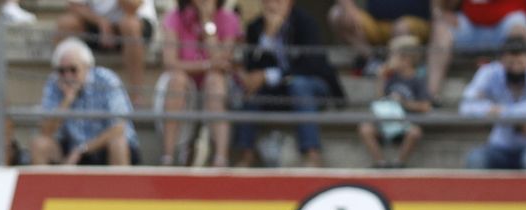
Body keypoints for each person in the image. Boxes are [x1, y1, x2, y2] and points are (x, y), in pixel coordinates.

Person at [234, 0, 343, 167]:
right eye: (268, 1)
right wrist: (268, 36)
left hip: (313, 86)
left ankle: (311, 154)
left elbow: (311, 64)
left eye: (278, 1)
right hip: (278, 91)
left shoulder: (305, 22)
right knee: (251, 91)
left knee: (298, 84)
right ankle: (246, 155)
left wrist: (269, 75)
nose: (272, 6)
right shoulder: (256, 27)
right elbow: (252, 68)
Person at [460, 36, 526, 170]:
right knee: (476, 159)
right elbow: (466, 106)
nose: (515, 68)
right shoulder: (490, 72)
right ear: (501, 61)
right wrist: (513, 117)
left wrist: (500, 112)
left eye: (520, 63)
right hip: (502, 146)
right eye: (510, 64)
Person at [32, 37, 139, 166]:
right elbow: (46, 131)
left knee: (118, 143)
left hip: (102, 148)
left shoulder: (107, 80)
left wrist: (83, 149)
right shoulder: (54, 83)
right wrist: (67, 100)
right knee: (40, 144)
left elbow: (119, 128)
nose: (67, 76)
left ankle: (121, 186)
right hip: (71, 149)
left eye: (73, 70)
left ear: (87, 67)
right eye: (62, 71)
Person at [157, 0, 238, 167]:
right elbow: (170, 62)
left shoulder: (229, 18)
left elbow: (222, 62)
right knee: (177, 81)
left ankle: (220, 160)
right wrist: (207, 65)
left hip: (215, 83)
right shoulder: (174, 16)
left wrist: (207, 23)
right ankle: (168, 158)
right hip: (184, 81)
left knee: (215, 81)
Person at [427, 0, 526, 101]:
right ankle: (430, 95)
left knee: (519, 30)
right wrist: (440, 12)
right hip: (471, 25)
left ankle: (519, 96)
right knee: (441, 28)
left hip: (504, 25)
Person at [56, 0, 157, 99]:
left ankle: (136, 96)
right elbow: (74, 6)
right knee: (66, 24)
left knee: (130, 25)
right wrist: (101, 22)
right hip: (97, 24)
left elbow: (132, 8)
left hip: (135, 25)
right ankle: (65, 93)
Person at [358, 33, 430, 167]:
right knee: (365, 128)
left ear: (406, 60)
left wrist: (403, 103)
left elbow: (425, 107)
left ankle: (400, 163)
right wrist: (381, 78)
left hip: (406, 123)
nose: (389, 60)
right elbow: (380, 99)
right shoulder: (391, 78)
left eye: (393, 56)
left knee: (415, 132)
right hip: (386, 122)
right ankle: (380, 163)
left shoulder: (417, 80)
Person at [330, 0, 433, 70]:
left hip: (413, 25)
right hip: (376, 25)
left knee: (402, 27)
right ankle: (373, 61)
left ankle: (394, 68)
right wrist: (349, 8)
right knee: (337, 13)